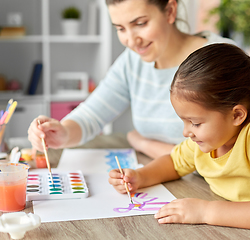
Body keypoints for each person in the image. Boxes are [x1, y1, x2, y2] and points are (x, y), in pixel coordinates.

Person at [108, 43, 250, 231]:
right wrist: (140, 176)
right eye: (184, 121)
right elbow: (174, 162)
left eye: (195, 123)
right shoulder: (209, 140)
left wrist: (205, 211)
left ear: (237, 115)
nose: (186, 132)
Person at [27, 0, 235, 159]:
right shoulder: (132, 62)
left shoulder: (222, 59)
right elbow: (91, 114)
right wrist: (62, 132)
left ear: (170, 11)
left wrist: (144, 143)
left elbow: (235, 154)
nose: (131, 40)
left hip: (215, 191)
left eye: (141, 23)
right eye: (120, 28)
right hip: (161, 176)